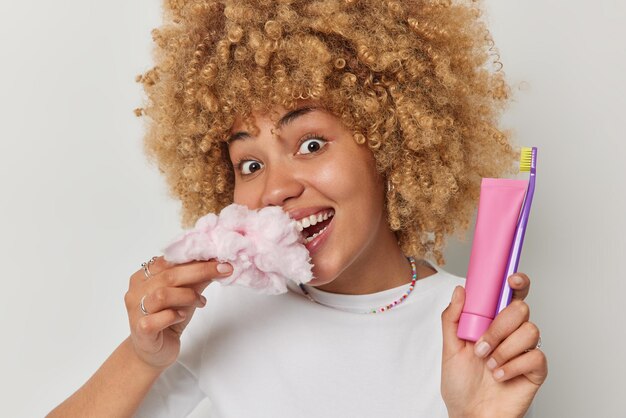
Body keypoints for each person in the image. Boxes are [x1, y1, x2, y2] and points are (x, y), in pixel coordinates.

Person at [47, 0, 548, 417]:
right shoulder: (217, 311)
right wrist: (140, 357)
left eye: (310, 144)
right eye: (248, 164)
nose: (274, 190)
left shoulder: (472, 324)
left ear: (389, 144)